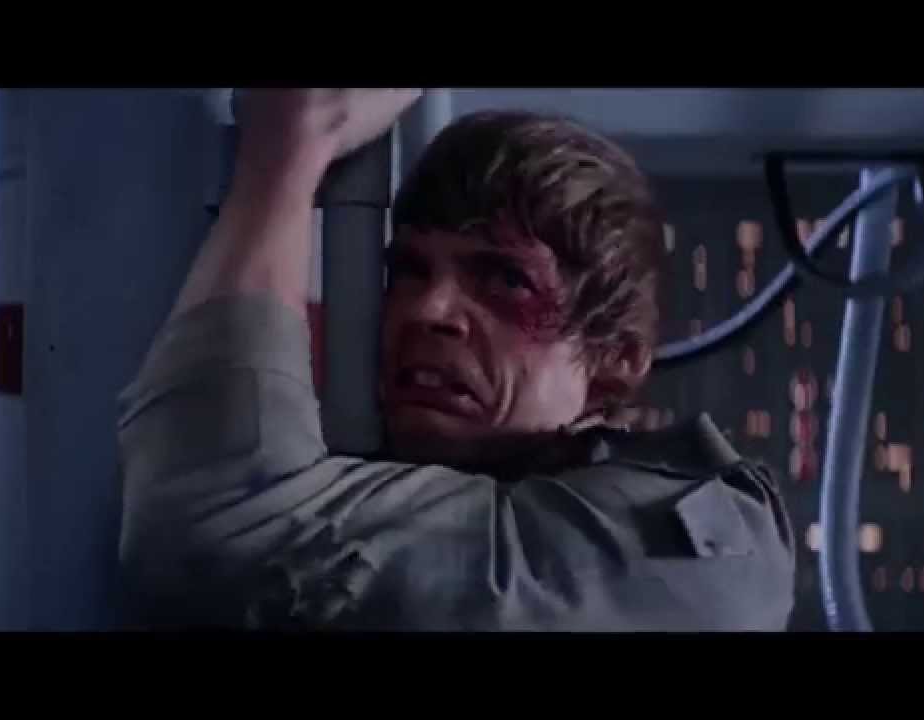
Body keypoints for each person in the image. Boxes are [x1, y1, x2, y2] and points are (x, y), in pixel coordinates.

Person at [117, 89, 795, 630]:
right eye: (409, 271)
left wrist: (292, 150)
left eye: (505, 280)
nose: (427, 310)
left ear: (614, 359)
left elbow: (214, 522)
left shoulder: (695, 555)